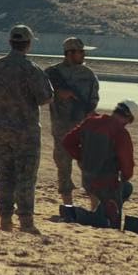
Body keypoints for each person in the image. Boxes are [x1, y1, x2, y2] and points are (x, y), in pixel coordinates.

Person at [0, 24, 53, 233]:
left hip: (1, 129)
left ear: (10, 42)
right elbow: (45, 97)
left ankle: (5, 219)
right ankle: (26, 221)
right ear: (28, 44)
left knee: (4, 175)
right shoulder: (31, 70)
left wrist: (3, 111)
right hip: (26, 132)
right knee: (26, 176)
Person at [63, 100, 138, 228]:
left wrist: (82, 158)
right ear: (128, 118)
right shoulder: (120, 132)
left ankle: (90, 214)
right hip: (107, 182)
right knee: (111, 222)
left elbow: (67, 142)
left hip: (87, 178)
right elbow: (127, 165)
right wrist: (124, 178)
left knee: (125, 189)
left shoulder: (90, 122)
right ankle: (74, 213)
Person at [45, 37, 102, 208]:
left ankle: (95, 206)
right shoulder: (52, 73)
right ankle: (68, 205)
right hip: (61, 127)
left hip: (83, 128)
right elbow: (41, 95)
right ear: (70, 53)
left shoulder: (88, 74)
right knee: (63, 167)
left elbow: (94, 97)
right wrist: (58, 94)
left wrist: (88, 109)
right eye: (81, 52)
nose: (83, 55)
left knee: (88, 167)